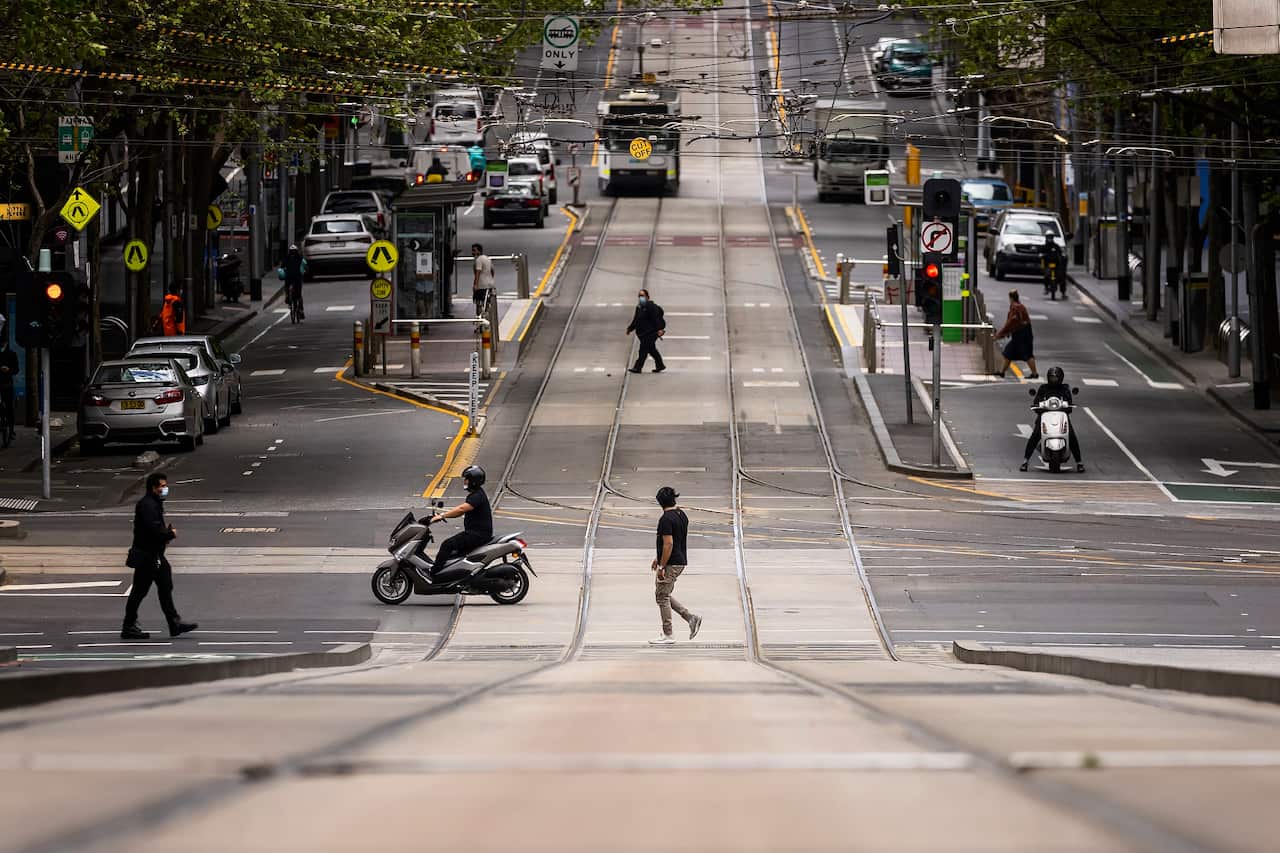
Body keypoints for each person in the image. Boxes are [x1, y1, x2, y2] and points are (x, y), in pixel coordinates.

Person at [121, 472, 197, 640]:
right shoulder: (148, 505)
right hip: (148, 556)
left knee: (164, 586)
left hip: (153, 554)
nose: (165, 489)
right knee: (141, 591)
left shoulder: (153, 503)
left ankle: (174, 623)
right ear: (153, 488)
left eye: (165, 486)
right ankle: (129, 626)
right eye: (162, 486)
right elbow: (153, 530)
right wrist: (170, 534)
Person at [649, 486, 701, 645]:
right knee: (662, 594)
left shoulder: (665, 519)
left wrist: (662, 566)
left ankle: (668, 634)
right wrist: (658, 558)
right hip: (678, 560)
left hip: (671, 563)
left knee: (662, 596)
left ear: (660, 503)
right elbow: (675, 541)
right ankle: (690, 618)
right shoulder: (681, 514)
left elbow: (669, 543)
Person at [427, 465, 493, 580]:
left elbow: (461, 509)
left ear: (473, 481)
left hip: (477, 534)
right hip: (477, 533)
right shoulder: (477, 494)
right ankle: (456, 575)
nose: (465, 481)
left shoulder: (477, 496)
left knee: (447, 545)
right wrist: (442, 516)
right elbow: (460, 512)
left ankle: (433, 574)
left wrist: (442, 515)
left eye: (466, 479)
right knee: (454, 552)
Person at [1021, 366, 1084, 473]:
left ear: (1061, 378)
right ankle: (1025, 461)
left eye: (1056, 378)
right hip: (1045, 415)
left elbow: (1069, 401)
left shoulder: (1065, 388)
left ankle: (1079, 462)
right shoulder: (1043, 388)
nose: (1054, 380)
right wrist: (1037, 406)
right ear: (1048, 378)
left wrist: (1068, 406)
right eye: (1052, 378)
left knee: (1071, 436)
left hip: (1062, 415)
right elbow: (1036, 401)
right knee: (1035, 435)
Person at [993, 289, 1037, 379]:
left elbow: (1010, 323)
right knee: (1008, 352)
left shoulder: (1015, 307)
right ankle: (1002, 372)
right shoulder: (1020, 306)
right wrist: (1006, 333)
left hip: (1022, 335)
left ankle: (1035, 373)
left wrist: (999, 335)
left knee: (1027, 354)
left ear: (1011, 298)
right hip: (1022, 334)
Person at [626, 288, 666, 374]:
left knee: (643, 350)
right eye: (639, 296)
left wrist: (660, 329)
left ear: (647, 297)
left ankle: (638, 367)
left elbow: (657, 319)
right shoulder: (639, 307)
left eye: (642, 296)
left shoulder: (651, 307)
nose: (641, 298)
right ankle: (660, 365)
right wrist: (630, 328)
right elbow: (636, 319)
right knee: (652, 350)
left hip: (651, 333)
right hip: (643, 334)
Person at [278, 244, 307, 319]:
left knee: (287, 288)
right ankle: (301, 310)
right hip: (297, 278)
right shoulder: (300, 258)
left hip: (289, 278)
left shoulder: (286, 258)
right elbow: (305, 266)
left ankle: (288, 297)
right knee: (299, 295)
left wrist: (284, 269)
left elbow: (281, 267)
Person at [0, 319, 17, 443]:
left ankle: (11, 429)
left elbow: (16, 369)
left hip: (7, 383)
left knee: (9, 406)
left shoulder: (11, 354)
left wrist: (9, 369)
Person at [471, 243, 495, 318]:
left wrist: (475, 284)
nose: (472, 252)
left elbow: (478, 272)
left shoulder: (478, 260)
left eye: (474, 250)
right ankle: (487, 319)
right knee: (487, 303)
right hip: (490, 284)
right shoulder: (488, 259)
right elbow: (492, 271)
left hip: (481, 286)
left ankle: (479, 321)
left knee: (479, 303)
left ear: (479, 251)